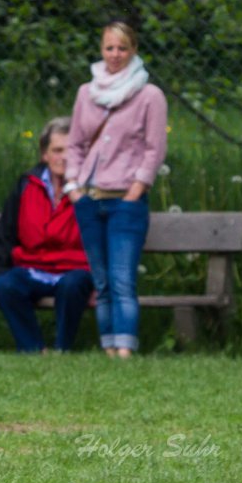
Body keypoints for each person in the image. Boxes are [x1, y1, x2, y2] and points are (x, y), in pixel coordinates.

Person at [63, 20, 168, 358]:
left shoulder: (149, 95)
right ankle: (108, 348)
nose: (115, 55)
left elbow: (154, 149)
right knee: (102, 281)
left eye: (123, 48)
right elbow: (75, 144)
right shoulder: (86, 93)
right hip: (90, 199)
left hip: (126, 200)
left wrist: (136, 190)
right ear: (101, 50)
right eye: (110, 48)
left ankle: (125, 349)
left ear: (133, 50)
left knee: (123, 279)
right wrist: (74, 187)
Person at [0, 117, 93, 353]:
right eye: (57, 150)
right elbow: (5, 235)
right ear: (44, 154)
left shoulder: (92, 189)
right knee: (6, 284)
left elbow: (104, 239)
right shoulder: (26, 185)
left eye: (70, 150)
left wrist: (103, 284)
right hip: (33, 268)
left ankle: (62, 350)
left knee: (73, 285)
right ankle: (34, 350)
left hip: (76, 272)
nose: (63, 157)